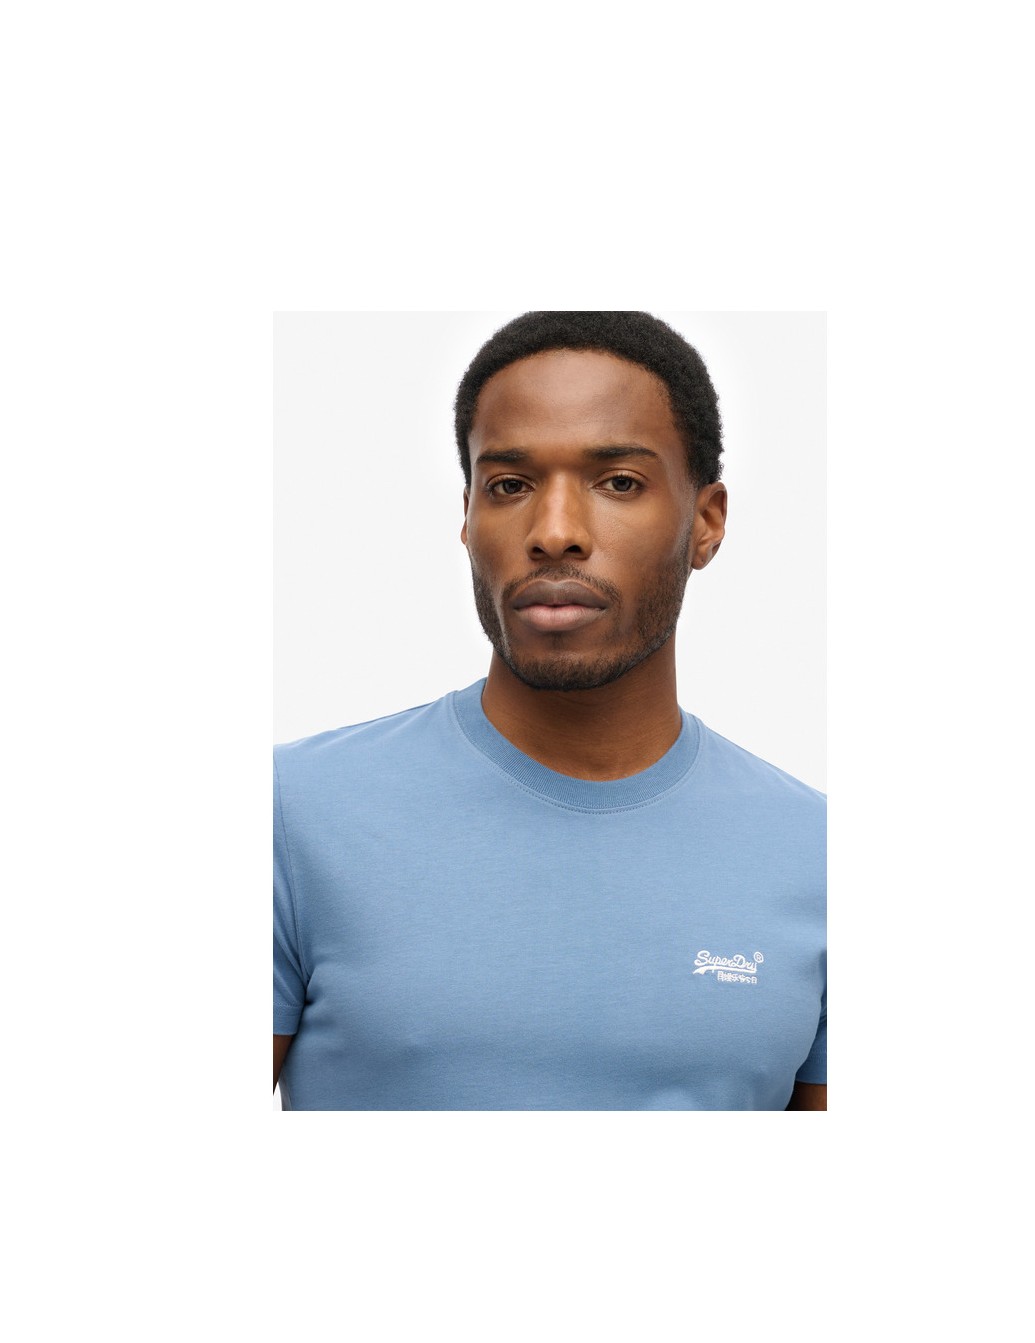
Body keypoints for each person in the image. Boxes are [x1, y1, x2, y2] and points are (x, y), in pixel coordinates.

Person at [274, 311, 826, 1111]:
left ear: (706, 523)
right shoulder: (291, 814)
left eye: (619, 482)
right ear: (468, 517)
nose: (556, 532)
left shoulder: (820, 855)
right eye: (510, 485)